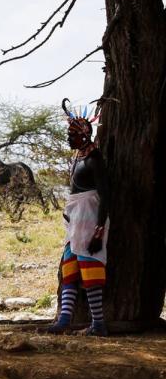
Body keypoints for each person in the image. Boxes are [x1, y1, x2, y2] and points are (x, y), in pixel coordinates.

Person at [45, 99, 108, 336]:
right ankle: (64, 321)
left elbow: (105, 197)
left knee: (90, 271)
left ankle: (99, 325)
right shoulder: (79, 157)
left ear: (84, 135)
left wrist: (98, 232)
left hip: (90, 220)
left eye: (72, 134)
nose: (68, 138)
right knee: (70, 269)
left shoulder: (95, 159)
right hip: (75, 222)